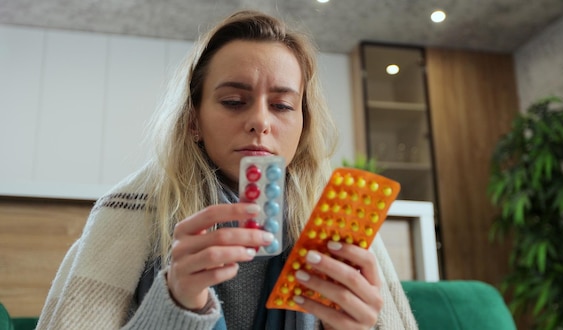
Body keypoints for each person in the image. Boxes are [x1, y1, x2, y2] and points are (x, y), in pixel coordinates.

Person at [36, 10, 418, 330]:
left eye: (283, 106)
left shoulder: (340, 230)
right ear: (193, 121)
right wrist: (176, 303)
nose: (260, 122)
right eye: (234, 101)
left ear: (303, 127)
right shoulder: (130, 217)